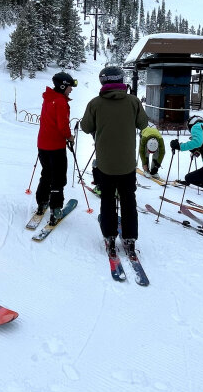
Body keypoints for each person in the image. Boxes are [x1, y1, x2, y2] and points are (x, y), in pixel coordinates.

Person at [80, 66, 148, 258]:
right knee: (128, 200)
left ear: (103, 82)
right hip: (127, 164)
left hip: (105, 164)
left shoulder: (95, 103)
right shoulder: (133, 102)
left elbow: (86, 127)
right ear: (121, 79)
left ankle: (109, 235)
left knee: (107, 199)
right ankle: (130, 237)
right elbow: (143, 124)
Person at [34, 72, 77, 224]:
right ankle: (55, 209)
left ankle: (41, 202)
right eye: (70, 87)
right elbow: (62, 125)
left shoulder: (48, 98)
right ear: (63, 86)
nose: (71, 90)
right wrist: (70, 137)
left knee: (46, 173)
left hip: (43, 144)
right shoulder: (60, 101)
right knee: (58, 177)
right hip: (55, 146)